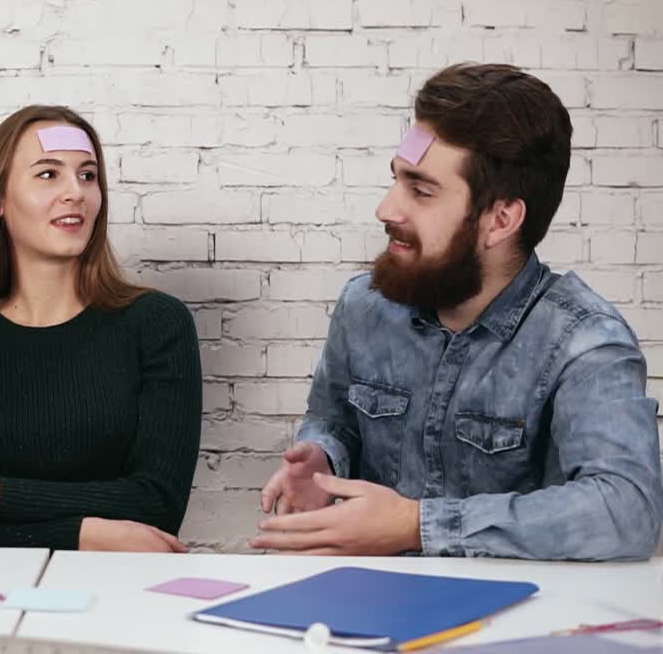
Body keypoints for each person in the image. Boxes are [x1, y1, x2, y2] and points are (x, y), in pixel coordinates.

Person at [255, 63, 662, 561]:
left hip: (516, 622)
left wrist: (416, 525)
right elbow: (333, 419)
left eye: (420, 190)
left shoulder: (585, 342)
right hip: (370, 603)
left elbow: (627, 510)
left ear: (501, 220)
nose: (387, 208)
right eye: (396, 180)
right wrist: (322, 460)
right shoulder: (365, 306)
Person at [0, 105, 202, 551]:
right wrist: (97, 533)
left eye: (87, 175)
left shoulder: (157, 325)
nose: (75, 193)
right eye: (48, 175)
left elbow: (156, 504)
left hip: (124, 601)